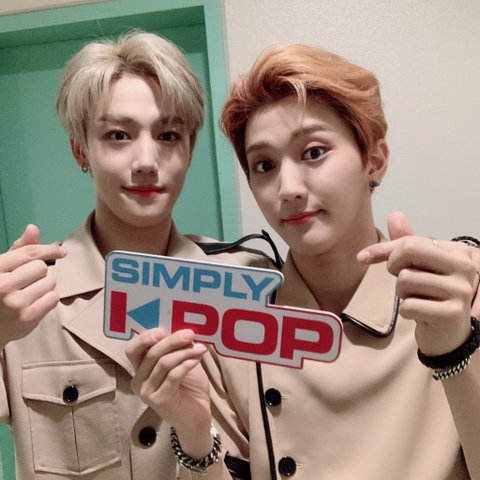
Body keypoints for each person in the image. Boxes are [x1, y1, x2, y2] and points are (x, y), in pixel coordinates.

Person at [127, 43, 480, 480]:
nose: (288, 188)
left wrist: (454, 350)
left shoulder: (460, 291)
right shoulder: (236, 328)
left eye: (313, 152)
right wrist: (196, 434)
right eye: (264, 165)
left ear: (374, 160)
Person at [0, 31, 273, 480]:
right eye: (118, 135)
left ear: (189, 149)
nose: (147, 160)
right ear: (80, 149)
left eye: (168, 135)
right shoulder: (25, 298)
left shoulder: (249, 283)